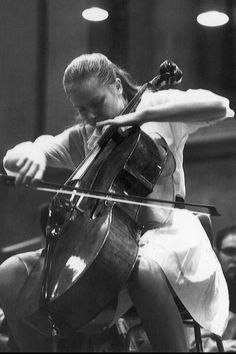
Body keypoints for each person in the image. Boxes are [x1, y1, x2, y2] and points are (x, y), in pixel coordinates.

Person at [0, 52, 235, 352]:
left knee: (142, 270)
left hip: (165, 232)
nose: (89, 116)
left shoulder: (158, 111)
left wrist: (143, 116)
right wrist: (34, 151)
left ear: (117, 87)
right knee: (9, 274)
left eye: (96, 104)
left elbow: (219, 106)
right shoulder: (87, 136)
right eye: (81, 108)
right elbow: (14, 160)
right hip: (101, 241)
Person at [189, 225, 236, 352]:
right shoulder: (204, 288)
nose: (235, 259)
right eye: (230, 251)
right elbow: (192, 340)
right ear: (216, 253)